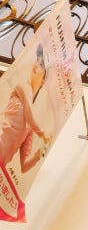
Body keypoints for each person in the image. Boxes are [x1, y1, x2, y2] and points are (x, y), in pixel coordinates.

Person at [0, 45, 52, 173]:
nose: (36, 64)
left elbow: (24, 166)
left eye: (41, 65)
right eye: (37, 60)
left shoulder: (30, 127)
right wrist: (42, 134)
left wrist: (38, 156)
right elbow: (29, 114)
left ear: (43, 81)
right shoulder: (22, 86)